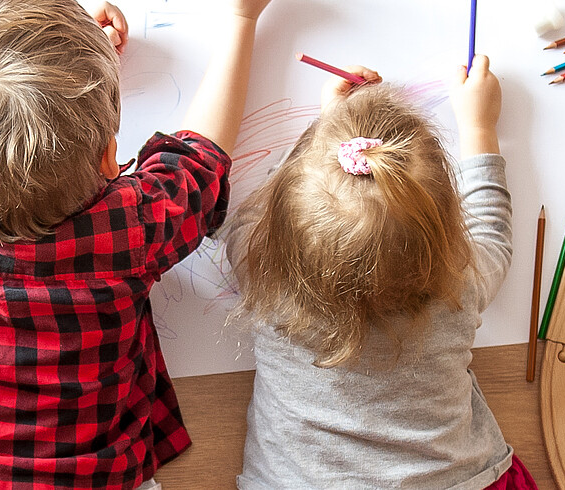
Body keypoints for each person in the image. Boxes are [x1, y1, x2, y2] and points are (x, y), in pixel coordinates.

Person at [0, 0, 271, 488]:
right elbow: (198, 161)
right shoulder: (129, 231)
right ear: (111, 158)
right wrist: (242, 20)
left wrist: (63, 70)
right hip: (87, 476)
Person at [226, 56, 536, 489]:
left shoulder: (262, 269)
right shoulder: (456, 283)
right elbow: (491, 234)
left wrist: (323, 128)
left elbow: (253, 214)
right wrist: (480, 129)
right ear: (445, 226)